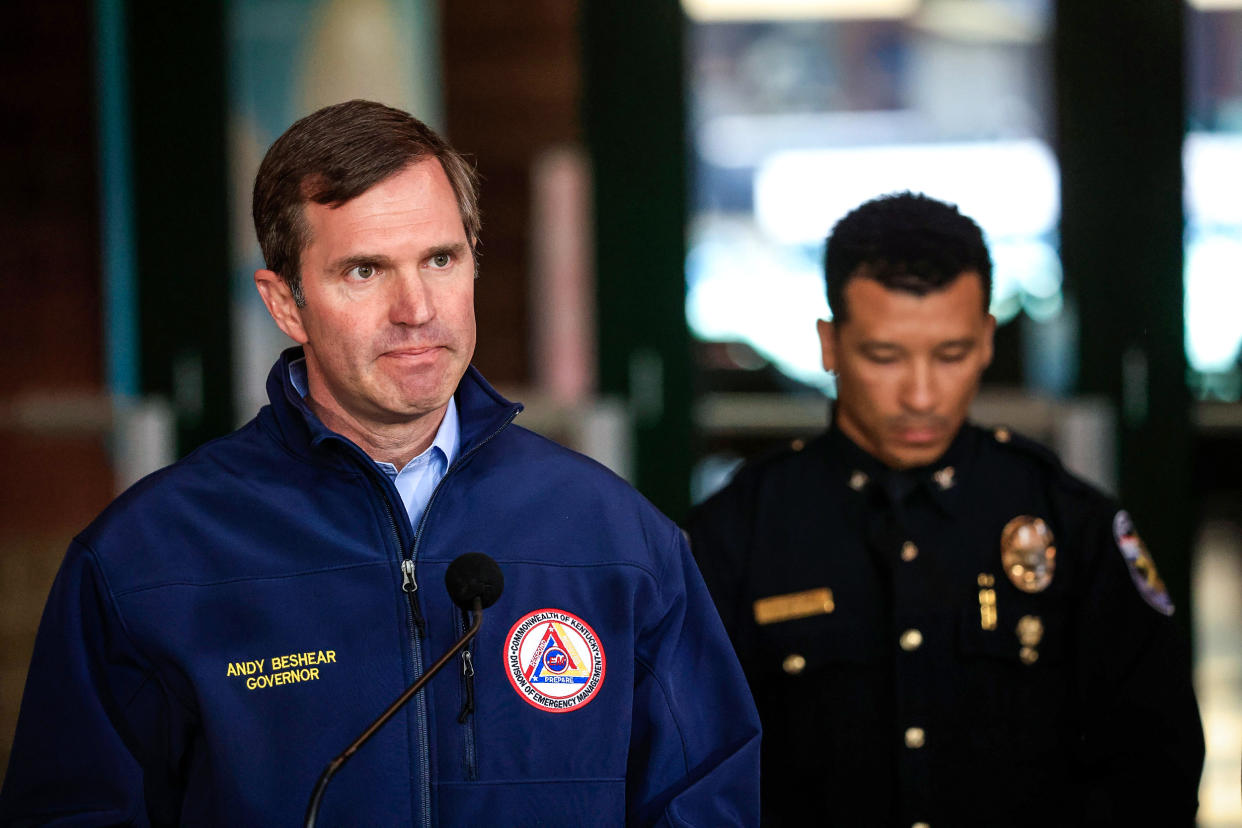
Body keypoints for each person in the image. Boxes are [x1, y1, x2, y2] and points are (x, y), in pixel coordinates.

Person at [1, 100, 760, 826]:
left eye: (440, 259)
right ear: (287, 304)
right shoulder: (146, 556)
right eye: (365, 271)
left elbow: (705, 800)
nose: (416, 307)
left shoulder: (617, 537)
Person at [686, 192, 1204, 826]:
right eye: (885, 356)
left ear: (987, 340)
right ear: (829, 345)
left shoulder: (1072, 525)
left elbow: (1155, 767)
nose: (922, 394)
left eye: (951, 354)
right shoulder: (738, 532)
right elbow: (691, 775)